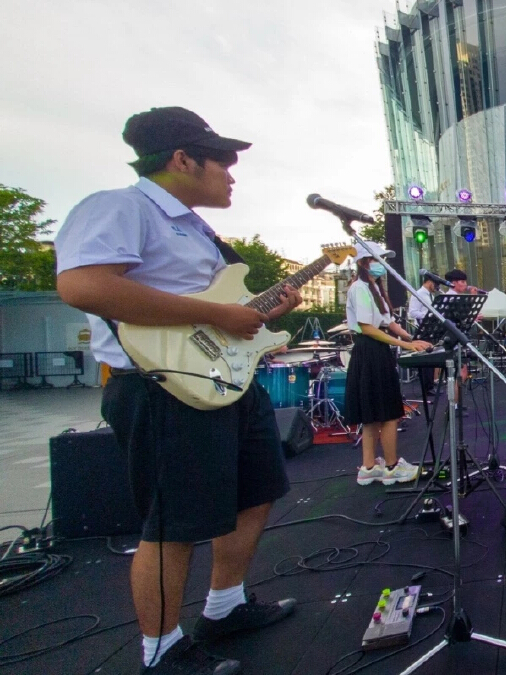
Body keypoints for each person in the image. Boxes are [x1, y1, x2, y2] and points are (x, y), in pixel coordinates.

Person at [54, 107, 302, 673]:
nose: (233, 174)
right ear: (182, 159)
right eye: (224, 161)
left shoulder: (199, 231)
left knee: (255, 492)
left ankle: (225, 607)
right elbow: (82, 284)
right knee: (173, 523)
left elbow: (215, 316)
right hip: (160, 389)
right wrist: (219, 313)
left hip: (225, 382)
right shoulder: (119, 207)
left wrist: (256, 314)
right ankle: (160, 649)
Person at [344, 244, 431, 487]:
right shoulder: (360, 289)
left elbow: (389, 322)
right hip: (370, 349)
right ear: (364, 262)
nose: (383, 263)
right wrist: (403, 344)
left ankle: (369, 467)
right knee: (390, 413)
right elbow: (368, 327)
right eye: (378, 259)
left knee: (372, 415)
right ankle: (392, 467)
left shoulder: (374, 289)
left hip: (373, 349)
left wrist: (412, 339)